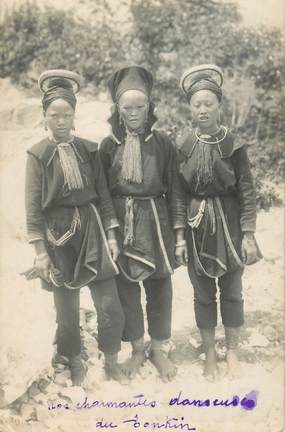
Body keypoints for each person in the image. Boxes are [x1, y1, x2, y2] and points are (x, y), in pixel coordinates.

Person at [24, 69, 127, 386]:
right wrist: (40, 252)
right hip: (58, 237)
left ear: (74, 115)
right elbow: (32, 207)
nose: (60, 120)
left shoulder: (90, 149)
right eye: (54, 114)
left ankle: (111, 360)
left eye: (66, 114)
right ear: (45, 115)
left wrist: (111, 234)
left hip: (93, 230)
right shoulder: (37, 155)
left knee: (109, 302)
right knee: (66, 309)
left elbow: (104, 194)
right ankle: (74, 360)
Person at [99, 66, 185, 382]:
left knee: (160, 284)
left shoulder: (162, 143)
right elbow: (103, 195)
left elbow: (176, 190)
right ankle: (137, 348)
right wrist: (111, 231)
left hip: (156, 219)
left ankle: (159, 349)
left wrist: (179, 235)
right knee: (127, 288)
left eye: (140, 107)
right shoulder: (107, 146)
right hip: (123, 223)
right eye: (127, 108)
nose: (133, 113)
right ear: (117, 110)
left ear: (149, 108)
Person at [176, 64, 262, 381]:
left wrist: (249, 233)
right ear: (190, 107)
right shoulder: (183, 146)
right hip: (197, 228)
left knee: (232, 290)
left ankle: (233, 352)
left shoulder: (234, 146)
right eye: (196, 104)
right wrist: (180, 237)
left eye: (208, 104)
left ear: (219, 107)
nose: (202, 110)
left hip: (230, 226)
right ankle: (211, 351)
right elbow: (178, 195)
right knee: (202, 292)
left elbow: (248, 193)